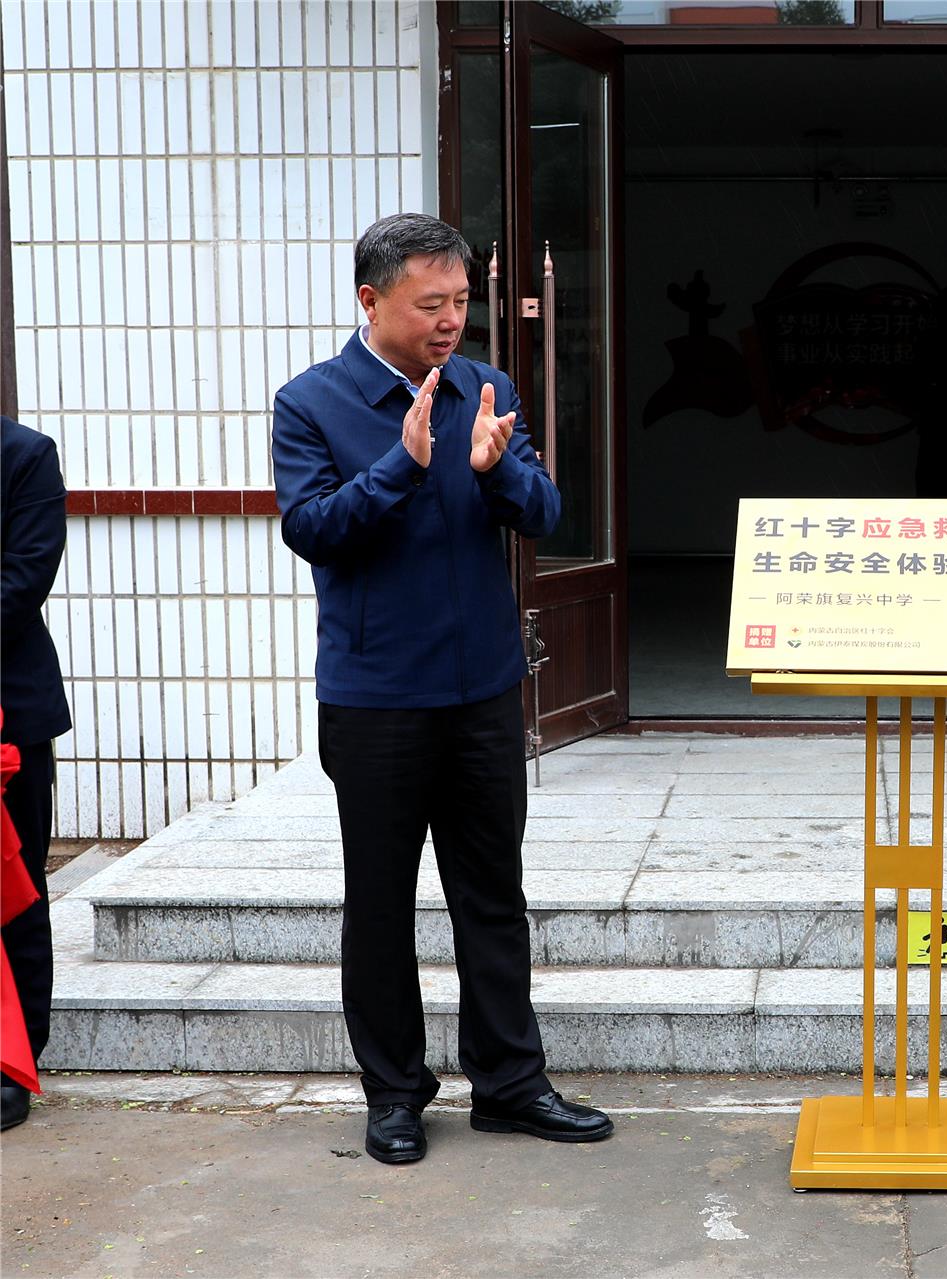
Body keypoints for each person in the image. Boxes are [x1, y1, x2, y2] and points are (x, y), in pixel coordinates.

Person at [272, 213, 612, 1164]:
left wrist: (497, 470)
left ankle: (510, 1081)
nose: (452, 321)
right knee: (379, 902)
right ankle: (394, 1094)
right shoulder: (311, 403)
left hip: (483, 693)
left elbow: (545, 511)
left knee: (492, 894)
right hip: (377, 698)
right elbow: (315, 530)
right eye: (432, 305)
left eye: (462, 301)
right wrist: (405, 463)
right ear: (371, 300)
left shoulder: (486, 388)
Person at [0, 416, 71, 1131]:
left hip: (7, 709)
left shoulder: (24, 456)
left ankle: (14, 1059)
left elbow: (22, 580)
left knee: (13, 885)